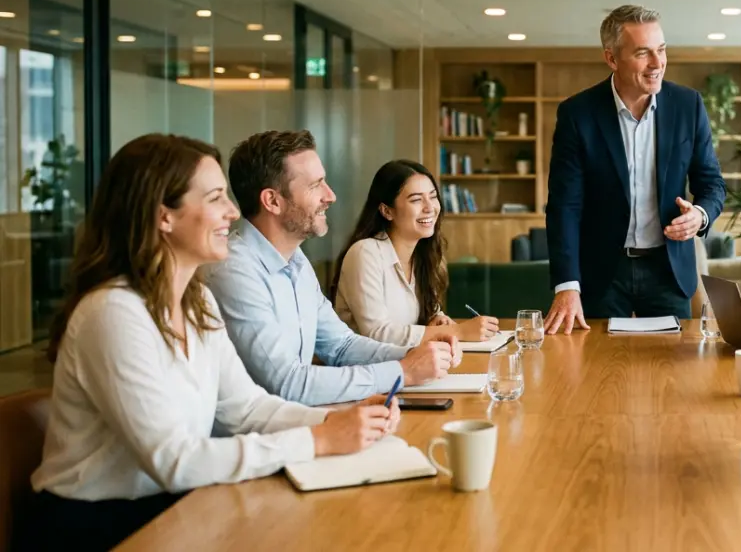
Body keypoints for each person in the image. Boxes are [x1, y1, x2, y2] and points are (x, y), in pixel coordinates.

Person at [25, 135, 399, 551]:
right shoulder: (113, 312)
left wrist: (333, 422)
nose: (233, 212)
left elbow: (246, 408)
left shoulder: (195, 299)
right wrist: (318, 439)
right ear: (163, 216)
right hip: (100, 528)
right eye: (216, 197)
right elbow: (175, 461)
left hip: (174, 506)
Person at [206, 130, 457, 406]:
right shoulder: (235, 271)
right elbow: (286, 384)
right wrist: (402, 371)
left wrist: (414, 353)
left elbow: (342, 346)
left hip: (300, 422)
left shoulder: (296, 261)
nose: (331, 196)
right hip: (262, 436)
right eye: (316, 185)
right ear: (273, 201)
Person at [544, 4, 726, 332]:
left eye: (661, 50)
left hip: (667, 269)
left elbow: (711, 182)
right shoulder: (578, 114)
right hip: (601, 272)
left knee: (672, 375)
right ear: (612, 58)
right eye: (643, 53)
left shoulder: (689, 106)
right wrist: (567, 285)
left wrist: (699, 215)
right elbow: (564, 207)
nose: (658, 64)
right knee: (595, 371)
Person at [330, 159, 499, 345]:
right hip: (367, 370)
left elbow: (425, 318)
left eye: (433, 196)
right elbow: (377, 334)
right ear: (387, 211)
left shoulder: (424, 255)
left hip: (409, 365)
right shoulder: (365, 253)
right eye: (416, 200)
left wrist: (436, 320)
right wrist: (457, 330)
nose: (430, 208)